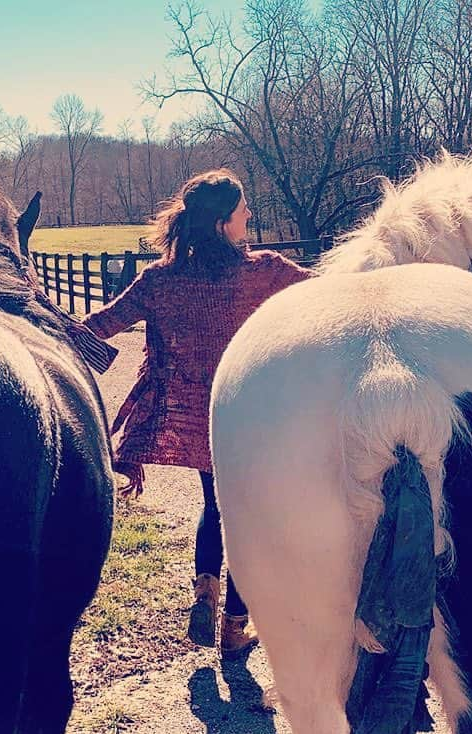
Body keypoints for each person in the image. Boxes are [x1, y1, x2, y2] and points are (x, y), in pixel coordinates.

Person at [82, 169, 311, 659]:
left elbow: (97, 328)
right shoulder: (264, 271)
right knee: (248, 520)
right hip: (253, 421)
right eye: (243, 209)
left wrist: (32, 319)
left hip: (199, 423)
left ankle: (205, 590)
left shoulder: (159, 281)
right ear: (223, 223)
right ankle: (232, 626)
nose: (250, 214)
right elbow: (327, 295)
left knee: (215, 507)